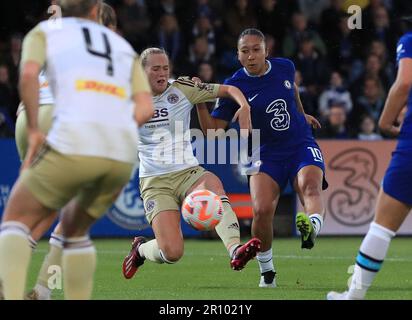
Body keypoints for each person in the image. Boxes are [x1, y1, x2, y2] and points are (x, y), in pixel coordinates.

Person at [0, 0, 154, 300]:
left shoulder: (48, 32)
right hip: (96, 133)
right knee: (72, 224)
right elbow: (144, 107)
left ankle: (10, 284)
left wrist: (33, 129)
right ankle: (44, 288)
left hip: (36, 115)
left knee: (23, 217)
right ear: (99, 17)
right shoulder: (121, 48)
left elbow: (28, 75)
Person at [196, 28, 328, 288]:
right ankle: (267, 272)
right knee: (262, 209)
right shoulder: (234, 85)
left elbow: (294, 90)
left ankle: (311, 227)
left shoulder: (285, 66)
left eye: (256, 49)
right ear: (238, 55)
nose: (251, 55)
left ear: (267, 51)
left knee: (309, 186)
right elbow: (212, 132)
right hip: (263, 152)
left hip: (299, 143)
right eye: (245, 51)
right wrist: (200, 102)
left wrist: (302, 114)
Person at [122, 47, 261, 280]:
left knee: (214, 185)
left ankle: (235, 250)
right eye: (155, 68)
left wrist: (244, 106)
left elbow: (228, 89)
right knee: (172, 252)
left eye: (165, 68)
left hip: (189, 173)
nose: (162, 73)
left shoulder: (182, 89)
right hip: (156, 183)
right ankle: (141, 250)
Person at [327, 17, 412, 300]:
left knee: (382, 227)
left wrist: (385, 122)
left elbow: (404, 82)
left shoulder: (409, 40)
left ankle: (355, 295)